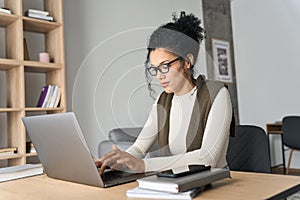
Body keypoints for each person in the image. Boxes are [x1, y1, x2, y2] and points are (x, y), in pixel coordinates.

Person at [98, 11, 235, 175]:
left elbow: (208, 157)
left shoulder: (216, 93)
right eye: (154, 69)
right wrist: (119, 160)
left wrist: (144, 165)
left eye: (165, 66)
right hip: (178, 180)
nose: (159, 75)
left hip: (214, 181)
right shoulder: (163, 100)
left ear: (187, 61)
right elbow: (140, 147)